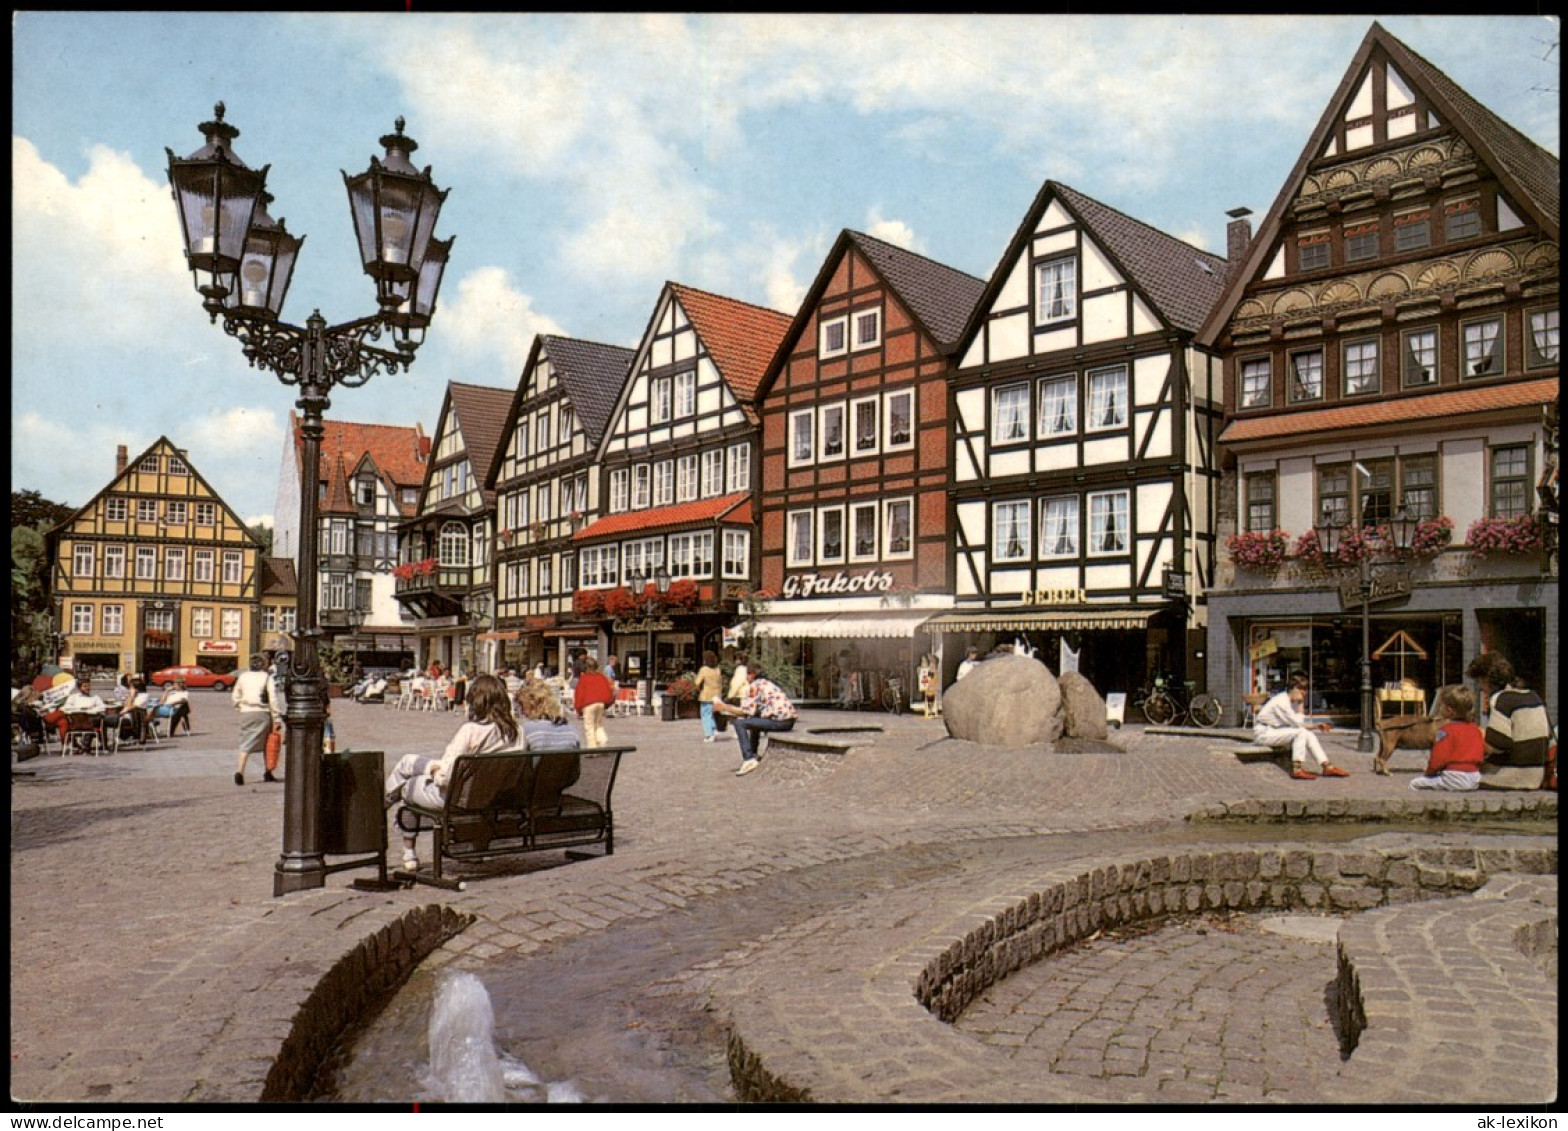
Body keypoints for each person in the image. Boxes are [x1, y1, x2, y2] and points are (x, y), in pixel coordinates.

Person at [383, 673, 522, 872]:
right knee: (408, 762)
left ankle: (405, 846)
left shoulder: (471, 731)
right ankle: (389, 803)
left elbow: (444, 779)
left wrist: (435, 773)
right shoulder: (516, 731)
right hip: (488, 794)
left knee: (406, 788)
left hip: (453, 798)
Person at [1465, 653, 1553, 790]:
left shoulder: (1501, 699)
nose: (1481, 688)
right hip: (1537, 774)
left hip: (1514, 775)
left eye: (1479, 681)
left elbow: (1499, 742)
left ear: (1487, 679)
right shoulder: (1533, 696)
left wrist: (1479, 738)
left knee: (1463, 776)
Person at [1253, 674, 1350, 780]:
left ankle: (1327, 766)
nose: (1304, 692)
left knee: (1308, 734)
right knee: (1301, 733)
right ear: (1292, 689)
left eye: (1305, 689)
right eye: (1300, 689)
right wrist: (1300, 704)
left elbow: (1296, 724)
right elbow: (1297, 723)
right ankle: (1297, 769)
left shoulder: (1290, 701)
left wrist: (1315, 726)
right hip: (1264, 733)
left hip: (1276, 731)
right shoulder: (1281, 702)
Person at [713, 663, 797, 776]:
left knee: (739, 723)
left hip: (779, 721)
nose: (746, 679)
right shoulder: (768, 683)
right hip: (789, 721)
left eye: (747, 675)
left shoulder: (754, 686)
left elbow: (745, 711)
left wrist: (724, 707)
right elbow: (753, 712)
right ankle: (753, 753)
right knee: (754, 720)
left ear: (751, 675)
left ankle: (748, 758)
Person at [1410, 684, 1485, 792]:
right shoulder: (1475, 729)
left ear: (1449, 711)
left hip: (1454, 776)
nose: (1439, 708)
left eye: (1441, 705)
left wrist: (1429, 773)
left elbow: (1438, 758)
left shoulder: (1444, 731)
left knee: (1415, 784)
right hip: (1474, 777)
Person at [231, 653, 281, 786]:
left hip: (246, 712)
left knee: (245, 743)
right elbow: (273, 699)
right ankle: (268, 772)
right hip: (262, 713)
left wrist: (239, 707)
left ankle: (240, 771)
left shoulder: (243, 676)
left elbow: (235, 695)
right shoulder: (266, 677)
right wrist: (276, 717)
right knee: (267, 743)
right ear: (263, 664)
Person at [42, 677, 108, 744]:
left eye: (88, 686)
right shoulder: (73, 697)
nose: (87, 688)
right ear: (79, 688)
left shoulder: (95, 697)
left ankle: (48, 722)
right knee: (62, 720)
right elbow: (66, 707)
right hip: (74, 722)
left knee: (62, 719)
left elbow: (102, 707)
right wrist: (77, 708)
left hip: (88, 721)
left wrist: (90, 709)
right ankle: (72, 744)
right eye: (85, 686)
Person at [573, 655, 617, 748]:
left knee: (589, 728)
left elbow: (579, 694)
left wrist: (578, 708)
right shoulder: (601, 677)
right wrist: (607, 704)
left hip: (588, 705)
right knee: (598, 725)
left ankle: (592, 749)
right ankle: (603, 740)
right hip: (600, 703)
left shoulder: (584, 678)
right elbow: (608, 690)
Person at [694, 650, 724, 743]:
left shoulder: (704, 669)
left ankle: (709, 734)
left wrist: (699, 689)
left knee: (706, 715)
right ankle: (714, 729)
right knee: (712, 713)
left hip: (706, 695)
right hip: (717, 695)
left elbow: (697, 682)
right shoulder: (718, 669)